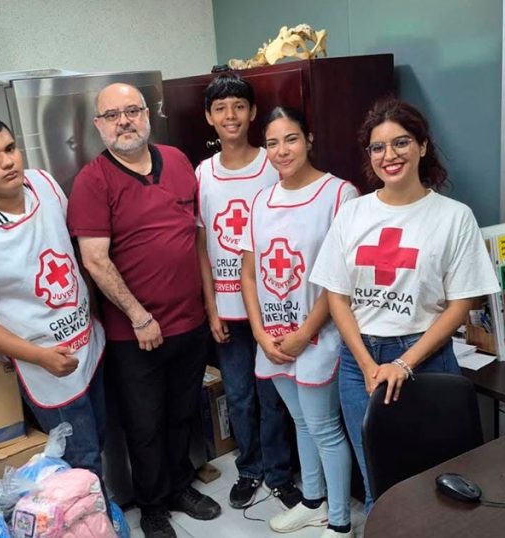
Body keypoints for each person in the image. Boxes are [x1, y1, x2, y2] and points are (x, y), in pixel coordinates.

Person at [310, 98, 500, 511]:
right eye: (377, 147)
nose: (389, 155)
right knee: (380, 485)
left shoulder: (454, 217)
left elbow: (461, 302)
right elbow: (337, 297)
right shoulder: (352, 214)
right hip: (360, 362)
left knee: (437, 484)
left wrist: (404, 363)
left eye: (401, 143)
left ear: (423, 146)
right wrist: (366, 364)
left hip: (424, 360)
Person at [67, 83, 220, 538]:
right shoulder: (93, 181)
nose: (124, 121)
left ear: (148, 115)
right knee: (144, 423)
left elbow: (194, 236)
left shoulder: (176, 161)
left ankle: (178, 486)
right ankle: (152, 505)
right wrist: (139, 316)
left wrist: (207, 308)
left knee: (182, 413)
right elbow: (95, 258)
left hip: (188, 322)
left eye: (132, 111)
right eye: (112, 115)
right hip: (135, 333)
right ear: (99, 126)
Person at [0, 114, 107, 483]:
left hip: (89, 344)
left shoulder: (44, 184)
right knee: (82, 463)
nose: (8, 161)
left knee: (102, 441)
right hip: (46, 365)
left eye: (11, 149)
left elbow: (72, 249)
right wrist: (40, 357)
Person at [241, 106, 359, 538]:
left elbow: (338, 279)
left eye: (290, 139)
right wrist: (259, 332)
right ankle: (312, 502)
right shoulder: (260, 201)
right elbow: (248, 272)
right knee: (301, 422)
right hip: (272, 336)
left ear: (309, 139)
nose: (281, 150)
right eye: (271, 143)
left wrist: (304, 333)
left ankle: (341, 522)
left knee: (325, 428)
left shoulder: (339, 195)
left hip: (318, 336)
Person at [195, 73, 301, 510]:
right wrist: (211, 308)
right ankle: (250, 468)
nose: (230, 115)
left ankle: (279, 472)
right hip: (228, 310)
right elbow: (201, 244)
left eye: (239, 106)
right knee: (237, 395)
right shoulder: (202, 173)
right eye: (220, 108)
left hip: (271, 308)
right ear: (209, 118)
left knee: (272, 398)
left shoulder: (270, 166)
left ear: (253, 112)